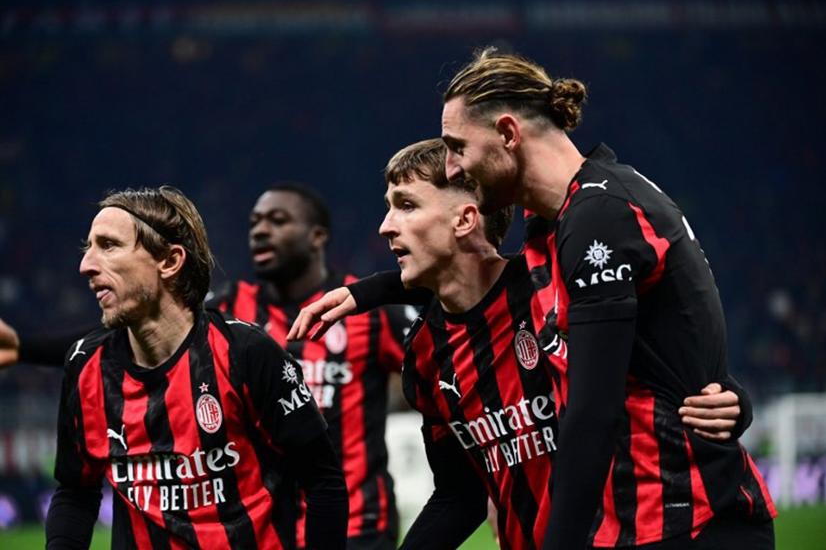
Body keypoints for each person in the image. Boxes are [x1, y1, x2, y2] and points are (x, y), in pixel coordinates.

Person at [288, 139, 756, 549]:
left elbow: (653, 363)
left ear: (466, 219)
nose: (385, 226)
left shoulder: (550, 287)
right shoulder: (426, 352)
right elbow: (460, 494)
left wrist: (731, 396)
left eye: (406, 205)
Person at [45, 186, 348, 549]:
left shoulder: (247, 353)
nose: (86, 265)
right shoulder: (85, 366)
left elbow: (323, 481)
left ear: (170, 262)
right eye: (88, 248)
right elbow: (76, 491)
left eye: (108, 246)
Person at [208, 184, 410, 550]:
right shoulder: (227, 309)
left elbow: (439, 372)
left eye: (277, 220)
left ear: (317, 236)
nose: (260, 230)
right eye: (254, 222)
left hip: (357, 528)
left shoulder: (367, 309)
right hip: (264, 530)